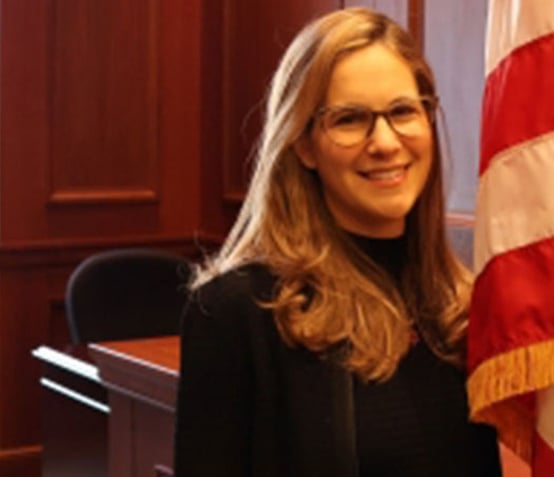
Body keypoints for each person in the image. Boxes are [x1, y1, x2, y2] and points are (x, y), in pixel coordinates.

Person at [174, 7, 502, 477]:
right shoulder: (238, 312)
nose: (386, 142)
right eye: (350, 120)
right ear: (303, 144)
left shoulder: (457, 307)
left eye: (403, 111)